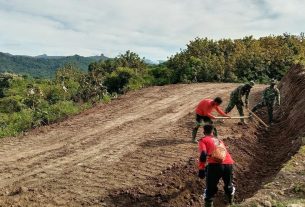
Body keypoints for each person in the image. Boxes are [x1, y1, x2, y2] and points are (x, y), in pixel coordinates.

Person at [198, 124, 235, 207]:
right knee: (229, 185)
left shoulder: (203, 140)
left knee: (210, 190)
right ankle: (231, 203)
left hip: (215, 165)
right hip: (229, 164)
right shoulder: (219, 140)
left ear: (204, 132)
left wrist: (201, 169)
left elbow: (203, 154)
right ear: (213, 131)